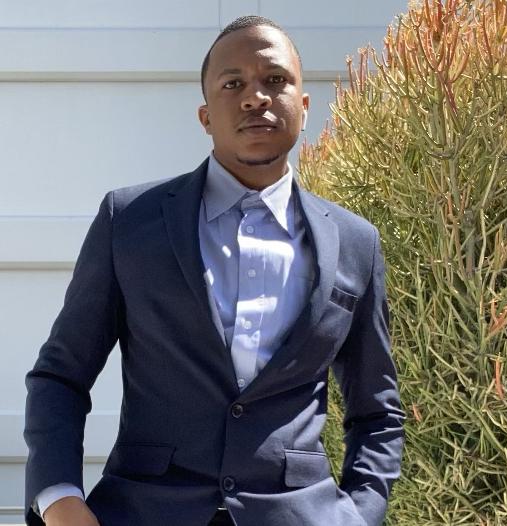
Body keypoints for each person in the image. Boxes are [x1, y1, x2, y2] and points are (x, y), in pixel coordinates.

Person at [24, 15, 404, 526]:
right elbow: (61, 375)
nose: (255, 97)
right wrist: (60, 499)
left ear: (304, 105)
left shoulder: (355, 243)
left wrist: (359, 513)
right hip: (145, 512)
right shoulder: (130, 222)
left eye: (274, 80)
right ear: (205, 116)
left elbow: (377, 411)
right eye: (233, 84)